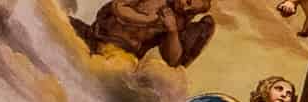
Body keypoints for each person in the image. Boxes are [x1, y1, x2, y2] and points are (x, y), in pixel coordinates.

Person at [73, 0, 215, 67]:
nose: (185, 7)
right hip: (94, 36)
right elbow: (118, 6)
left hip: (120, 56)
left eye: (191, 10)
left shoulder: (177, 20)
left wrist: (172, 32)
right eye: (188, 1)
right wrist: (145, 19)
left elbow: (172, 60)